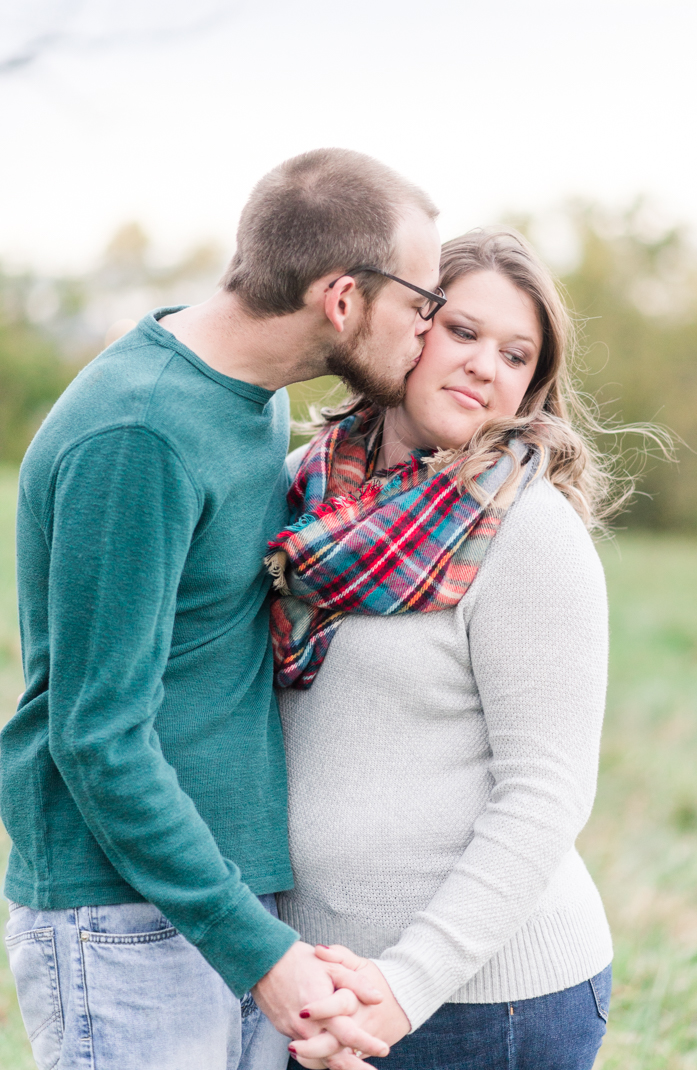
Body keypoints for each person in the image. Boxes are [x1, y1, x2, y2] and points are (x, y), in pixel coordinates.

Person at [1, 148, 442, 1070]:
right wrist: (256, 950)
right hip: (124, 919)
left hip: (226, 899)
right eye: (421, 304)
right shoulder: (139, 435)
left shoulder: (256, 404)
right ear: (342, 297)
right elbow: (97, 736)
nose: (429, 335)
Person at [267, 228, 620, 1070]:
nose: (483, 365)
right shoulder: (297, 496)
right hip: (311, 984)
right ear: (408, 327)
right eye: (462, 331)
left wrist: (405, 989)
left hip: (481, 1003)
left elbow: (546, 794)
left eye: (516, 354)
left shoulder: (528, 532)